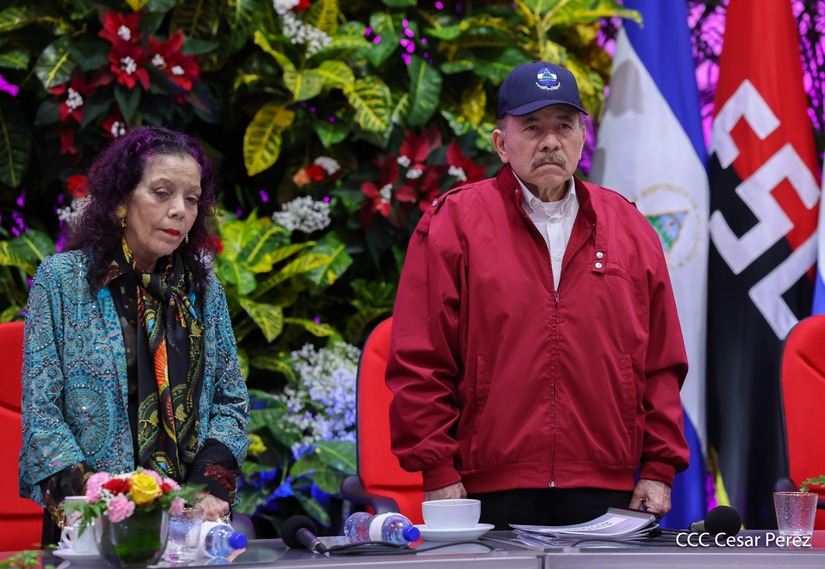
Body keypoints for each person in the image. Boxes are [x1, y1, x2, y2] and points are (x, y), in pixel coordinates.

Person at [385, 61, 689, 529]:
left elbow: (661, 363)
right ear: (501, 143)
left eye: (563, 126)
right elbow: (420, 358)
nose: (550, 141)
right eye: (532, 127)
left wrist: (659, 466)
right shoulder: (454, 223)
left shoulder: (629, 227)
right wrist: (438, 469)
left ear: (582, 136)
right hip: (485, 486)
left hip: (607, 485)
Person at [18, 126, 250, 543]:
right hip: (91, 520)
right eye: (162, 193)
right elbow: (43, 415)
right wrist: (103, 501)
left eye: (192, 199)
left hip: (188, 520)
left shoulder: (201, 290)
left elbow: (230, 402)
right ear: (121, 201)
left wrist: (209, 486)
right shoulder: (64, 281)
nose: (179, 210)